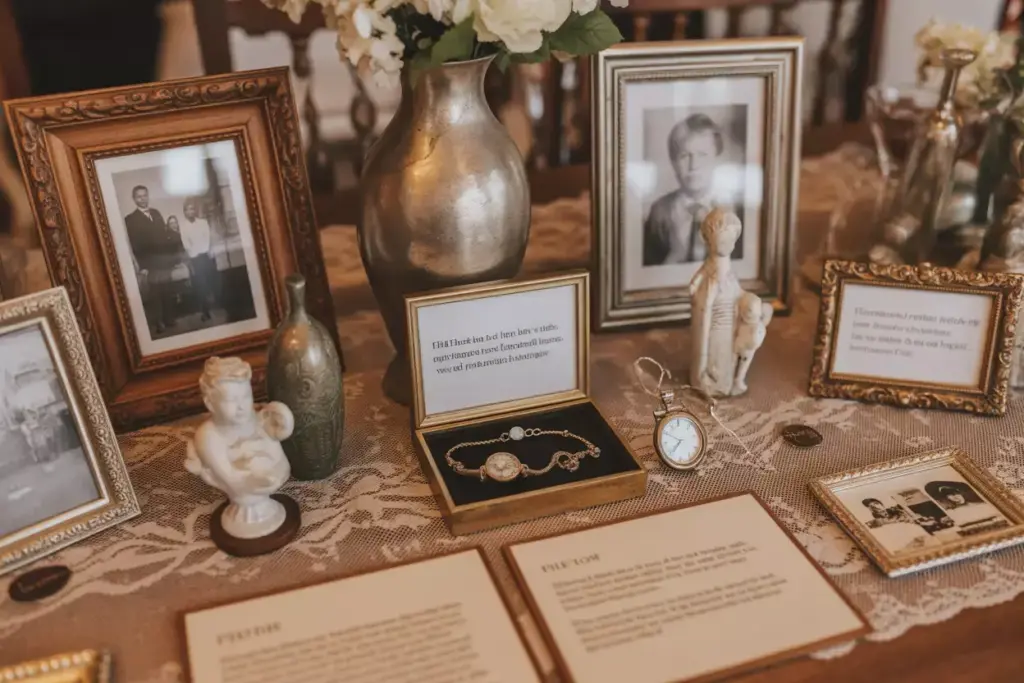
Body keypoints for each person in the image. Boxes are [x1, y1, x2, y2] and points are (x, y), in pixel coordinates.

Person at [643, 113, 742, 266]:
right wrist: (676, 253)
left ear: (717, 159)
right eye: (684, 156)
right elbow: (646, 275)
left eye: (702, 155)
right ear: (673, 163)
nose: (693, 166)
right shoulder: (659, 212)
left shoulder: (735, 209)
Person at [124, 185, 181, 335]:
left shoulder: (156, 213)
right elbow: (135, 244)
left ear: (148, 196)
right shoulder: (130, 219)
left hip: (163, 260)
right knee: (154, 293)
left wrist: (171, 257)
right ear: (134, 199)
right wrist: (143, 265)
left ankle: (169, 319)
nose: (143, 199)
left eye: (145, 195)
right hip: (150, 262)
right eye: (139, 196)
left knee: (167, 290)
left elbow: (164, 235)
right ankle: (158, 322)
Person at [179, 198, 217, 322]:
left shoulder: (203, 222)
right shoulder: (183, 227)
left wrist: (205, 251)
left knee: (211, 280)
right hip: (195, 258)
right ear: (184, 212)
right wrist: (195, 254)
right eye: (187, 209)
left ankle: (215, 306)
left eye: (192, 209)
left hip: (206, 255)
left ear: (195, 210)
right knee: (200, 284)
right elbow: (186, 244)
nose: (190, 212)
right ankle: (205, 311)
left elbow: (207, 238)